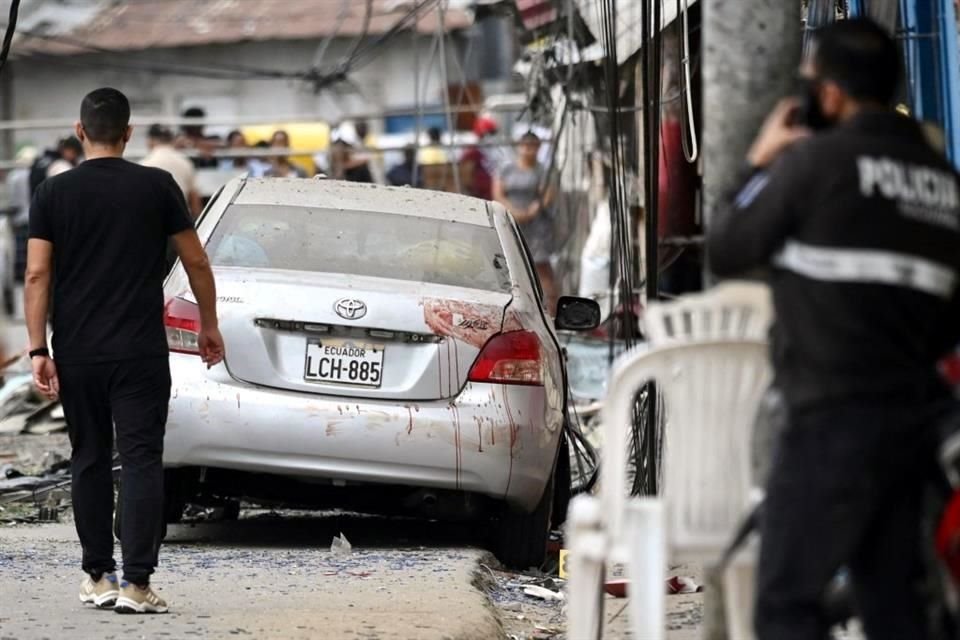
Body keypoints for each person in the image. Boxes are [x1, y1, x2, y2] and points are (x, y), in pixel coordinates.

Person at [706, 19, 960, 640]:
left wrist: (757, 160)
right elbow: (948, 325)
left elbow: (729, 247)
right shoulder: (943, 184)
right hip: (910, 430)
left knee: (787, 605)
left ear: (831, 95)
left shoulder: (817, 165)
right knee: (894, 608)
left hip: (828, 424)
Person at [25, 87, 224, 614]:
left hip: (77, 351)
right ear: (129, 133)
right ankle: (137, 584)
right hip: (139, 351)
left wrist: (36, 349)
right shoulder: (157, 185)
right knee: (140, 460)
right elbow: (197, 262)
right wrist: (209, 325)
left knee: (88, 457)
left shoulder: (51, 194)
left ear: (80, 130)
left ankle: (98, 576)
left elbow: (36, 273)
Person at [493, 131, 557, 312]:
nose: (528, 150)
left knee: (541, 267)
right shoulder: (507, 169)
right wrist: (514, 212)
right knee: (509, 266)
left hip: (537, 227)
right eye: (525, 146)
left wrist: (531, 212)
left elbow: (547, 195)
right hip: (511, 223)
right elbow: (498, 194)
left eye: (532, 147)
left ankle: (551, 312)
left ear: (537, 148)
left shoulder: (542, 171)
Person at [141, 124, 202, 218]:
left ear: (150, 140)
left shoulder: (145, 163)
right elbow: (194, 197)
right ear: (171, 139)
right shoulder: (185, 162)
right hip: (181, 219)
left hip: (154, 220)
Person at [461, 115, 498, 200]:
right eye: (489, 133)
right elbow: (466, 176)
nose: (491, 137)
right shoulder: (473, 152)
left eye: (493, 133)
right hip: (479, 196)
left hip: (494, 194)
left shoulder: (497, 150)